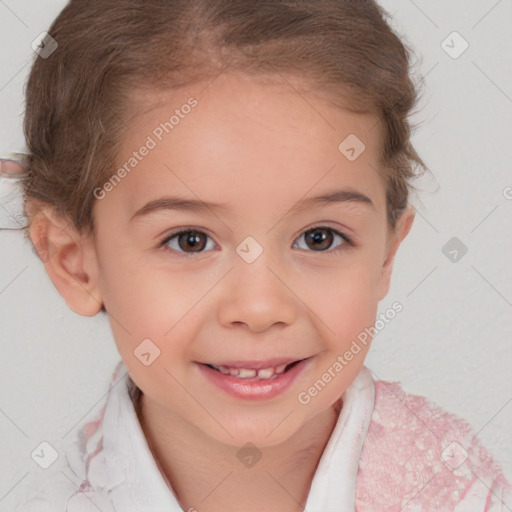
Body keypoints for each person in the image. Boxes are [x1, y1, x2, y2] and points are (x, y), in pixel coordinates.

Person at [12, 0, 511, 510]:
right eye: (190, 240)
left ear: (386, 253)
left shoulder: (457, 490)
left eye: (319, 238)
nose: (259, 308)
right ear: (72, 259)